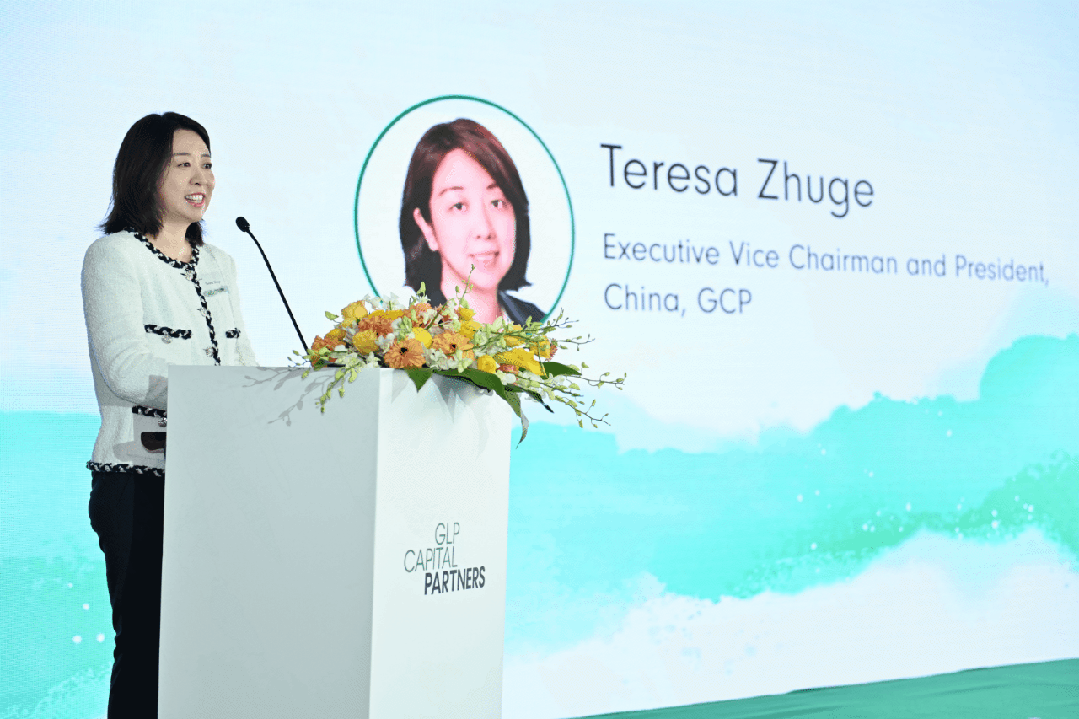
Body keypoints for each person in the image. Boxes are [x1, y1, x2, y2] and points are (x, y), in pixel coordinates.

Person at [82, 112, 257, 717]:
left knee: (211, 652)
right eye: (183, 164)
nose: (201, 177)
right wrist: (222, 389)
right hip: (140, 481)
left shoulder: (221, 263)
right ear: (144, 172)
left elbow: (244, 363)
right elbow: (126, 369)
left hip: (216, 482)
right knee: (148, 653)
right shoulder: (114, 257)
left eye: (207, 164)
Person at [399, 118, 544, 324]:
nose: (484, 229)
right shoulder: (406, 336)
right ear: (426, 226)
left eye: (497, 203)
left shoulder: (541, 324)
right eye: (459, 206)